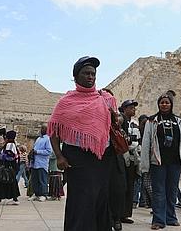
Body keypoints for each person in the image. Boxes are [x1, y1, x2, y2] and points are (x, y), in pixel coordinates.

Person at [48, 56, 117, 231]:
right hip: (76, 159)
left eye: (93, 74)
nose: (90, 77)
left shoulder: (105, 99)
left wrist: (116, 117)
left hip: (101, 157)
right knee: (80, 201)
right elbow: (54, 131)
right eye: (86, 73)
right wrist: (59, 156)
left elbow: (117, 122)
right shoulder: (65, 102)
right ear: (76, 76)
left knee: (100, 199)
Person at [141, 92, 181, 230]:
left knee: (172, 191)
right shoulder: (152, 121)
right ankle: (158, 220)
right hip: (158, 161)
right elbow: (146, 142)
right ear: (158, 104)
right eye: (162, 102)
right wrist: (145, 164)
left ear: (171, 104)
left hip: (174, 161)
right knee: (158, 191)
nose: (164, 104)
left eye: (167, 102)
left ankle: (171, 217)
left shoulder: (179, 121)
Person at [119, 99, 140, 224]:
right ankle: (118, 213)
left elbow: (136, 140)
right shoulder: (120, 121)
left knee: (129, 187)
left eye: (134, 107)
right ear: (125, 109)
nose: (133, 110)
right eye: (131, 107)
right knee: (121, 186)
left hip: (132, 158)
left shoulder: (134, 124)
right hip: (122, 158)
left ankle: (125, 214)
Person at [28, 125, 52, 202]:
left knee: (42, 179)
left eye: (43, 129)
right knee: (35, 180)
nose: (41, 130)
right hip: (35, 163)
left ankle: (43, 194)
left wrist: (37, 152)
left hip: (42, 163)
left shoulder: (48, 139)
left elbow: (49, 151)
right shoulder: (38, 139)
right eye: (41, 128)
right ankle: (36, 193)